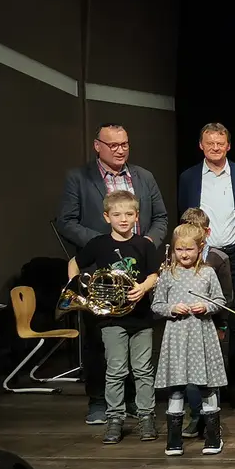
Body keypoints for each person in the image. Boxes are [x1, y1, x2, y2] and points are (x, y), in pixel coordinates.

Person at [56, 122, 168, 426]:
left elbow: (160, 217)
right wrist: (104, 243)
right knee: (99, 340)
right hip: (100, 274)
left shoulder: (144, 176)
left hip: (138, 272)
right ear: (98, 146)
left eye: (124, 144)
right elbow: (66, 221)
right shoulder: (78, 178)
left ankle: (133, 402)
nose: (120, 150)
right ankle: (98, 402)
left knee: (137, 340)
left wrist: (146, 243)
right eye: (113, 145)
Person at [68, 190, 160, 445]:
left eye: (129, 214)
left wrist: (143, 287)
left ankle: (146, 417)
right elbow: (75, 262)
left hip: (140, 318)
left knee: (143, 370)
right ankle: (115, 419)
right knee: (116, 370)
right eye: (117, 215)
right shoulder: (98, 244)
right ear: (107, 217)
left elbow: (154, 274)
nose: (123, 219)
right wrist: (76, 285)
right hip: (111, 319)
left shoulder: (145, 244)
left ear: (137, 216)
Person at [177, 123, 235, 400]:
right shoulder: (189, 177)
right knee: (205, 316)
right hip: (203, 256)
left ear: (228, 146)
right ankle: (209, 384)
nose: (215, 148)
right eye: (209, 143)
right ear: (201, 145)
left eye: (220, 143)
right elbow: (184, 216)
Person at [151, 223, 227, 457]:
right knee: (176, 387)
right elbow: (157, 305)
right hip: (177, 337)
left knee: (206, 386)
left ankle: (213, 438)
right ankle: (174, 441)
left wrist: (205, 306)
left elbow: (220, 300)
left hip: (201, 335)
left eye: (189, 249)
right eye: (179, 249)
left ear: (200, 248)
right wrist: (172, 308)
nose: (184, 254)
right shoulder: (168, 274)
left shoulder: (207, 273)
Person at [179, 207, 234, 435]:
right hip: (185, 326)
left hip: (211, 325)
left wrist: (221, 325)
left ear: (207, 232)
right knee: (190, 374)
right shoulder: (176, 258)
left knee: (211, 375)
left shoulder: (218, 259)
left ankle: (212, 419)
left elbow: (226, 296)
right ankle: (196, 416)